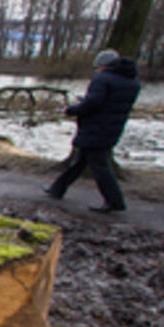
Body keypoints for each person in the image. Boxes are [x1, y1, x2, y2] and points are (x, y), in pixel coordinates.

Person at [44, 49, 141, 213]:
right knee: (81, 161)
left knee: (100, 166)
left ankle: (114, 201)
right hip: (112, 126)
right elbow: (111, 102)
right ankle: (57, 188)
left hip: (96, 127)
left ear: (103, 65)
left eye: (98, 67)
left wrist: (71, 110)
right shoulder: (132, 82)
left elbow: (93, 103)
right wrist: (87, 101)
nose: (97, 70)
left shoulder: (102, 79)